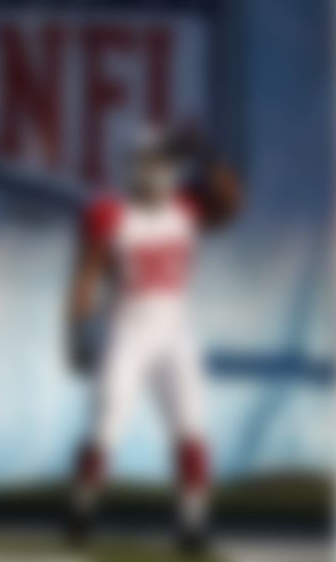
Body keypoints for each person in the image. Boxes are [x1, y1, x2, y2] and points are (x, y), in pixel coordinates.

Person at [65, 126, 242, 555]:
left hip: (175, 333)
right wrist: (75, 330)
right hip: (127, 331)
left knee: (191, 428)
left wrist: (212, 160)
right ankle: (82, 506)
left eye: (164, 162)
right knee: (104, 429)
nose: (160, 171)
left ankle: (192, 523)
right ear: (131, 166)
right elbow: (86, 275)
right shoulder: (110, 212)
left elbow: (232, 204)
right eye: (150, 162)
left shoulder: (186, 203)